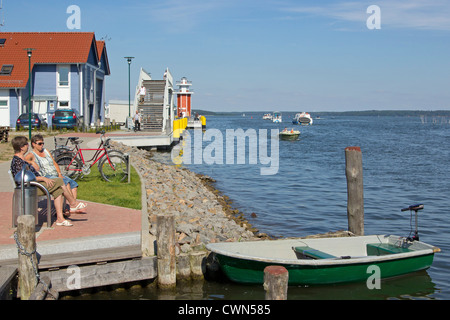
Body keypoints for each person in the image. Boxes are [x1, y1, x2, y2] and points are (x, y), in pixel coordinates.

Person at [10, 136, 87, 227]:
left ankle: (60, 219)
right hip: (30, 188)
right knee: (60, 181)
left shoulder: (22, 159)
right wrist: (43, 178)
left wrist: (32, 164)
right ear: (21, 147)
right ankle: (73, 204)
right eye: (26, 144)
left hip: (34, 185)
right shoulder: (18, 161)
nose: (28, 146)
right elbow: (24, 178)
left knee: (58, 190)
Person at [25, 134, 83, 214]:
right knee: (65, 183)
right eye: (39, 143)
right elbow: (23, 161)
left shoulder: (46, 151)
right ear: (33, 144)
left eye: (43, 143)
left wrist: (59, 173)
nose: (42, 145)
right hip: (46, 176)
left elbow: (54, 162)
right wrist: (31, 162)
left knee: (74, 185)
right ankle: (71, 205)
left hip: (55, 174)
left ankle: (70, 207)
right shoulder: (31, 154)